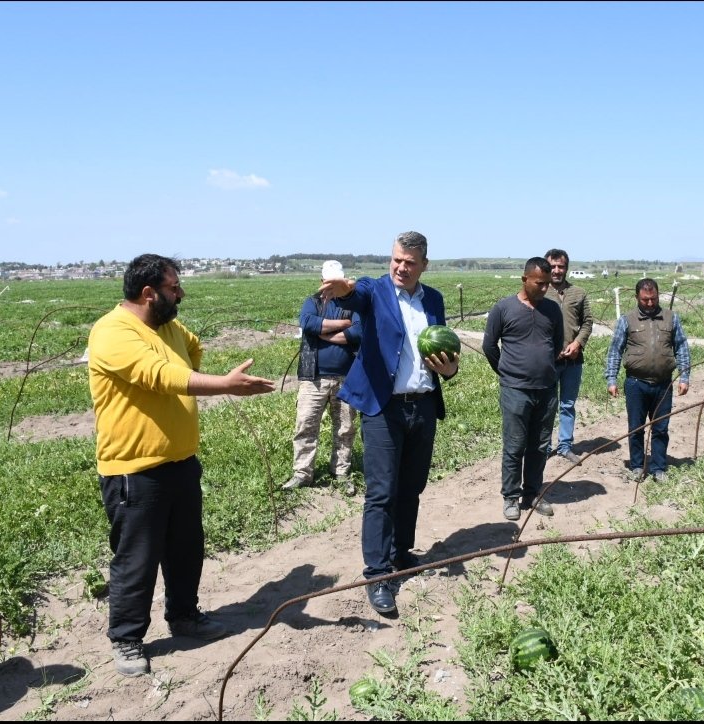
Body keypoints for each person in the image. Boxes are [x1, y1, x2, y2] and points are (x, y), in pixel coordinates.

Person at [87, 253, 276, 677]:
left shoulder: (168, 326)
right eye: (174, 288)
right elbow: (158, 375)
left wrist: (196, 370)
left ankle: (184, 617)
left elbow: (191, 349)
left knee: (186, 549)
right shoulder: (112, 332)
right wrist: (222, 386)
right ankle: (128, 638)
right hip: (134, 469)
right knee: (137, 558)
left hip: (181, 462)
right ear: (149, 293)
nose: (181, 294)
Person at [319, 232, 460, 615]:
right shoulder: (375, 291)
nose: (401, 267)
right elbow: (356, 294)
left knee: (412, 486)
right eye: (397, 259)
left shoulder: (434, 299)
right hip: (383, 408)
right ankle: (377, 574)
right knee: (381, 492)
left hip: (424, 404)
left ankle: (401, 555)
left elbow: (446, 352)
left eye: (410, 262)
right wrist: (344, 288)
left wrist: (450, 369)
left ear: (423, 265)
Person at [482, 257, 564, 521]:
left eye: (547, 284)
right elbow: (489, 346)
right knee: (515, 445)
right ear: (524, 279)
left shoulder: (552, 310)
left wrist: (543, 370)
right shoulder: (504, 308)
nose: (544, 289)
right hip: (515, 390)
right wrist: (507, 372)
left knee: (540, 445)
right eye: (539, 283)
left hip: (546, 389)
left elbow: (557, 344)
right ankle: (510, 497)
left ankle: (533, 493)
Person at [282, 260, 362, 496]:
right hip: (313, 377)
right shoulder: (312, 302)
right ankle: (302, 473)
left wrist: (324, 333)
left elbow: (357, 330)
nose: (332, 286)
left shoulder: (352, 303)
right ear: (322, 282)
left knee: (345, 428)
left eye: (337, 282)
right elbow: (308, 323)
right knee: (306, 424)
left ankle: (341, 472)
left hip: (346, 377)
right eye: (329, 282)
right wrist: (342, 325)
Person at [604, 278, 690, 482]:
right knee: (636, 428)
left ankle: (659, 467)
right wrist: (611, 379)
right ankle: (637, 466)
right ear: (636, 298)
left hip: (663, 384)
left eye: (653, 299)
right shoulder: (627, 320)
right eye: (645, 300)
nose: (650, 303)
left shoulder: (671, 318)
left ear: (658, 295)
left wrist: (685, 376)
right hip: (636, 384)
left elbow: (682, 347)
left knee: (661, 428)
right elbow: (615, 350)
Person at [544, 248, 593, 465]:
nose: (556, 270)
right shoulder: (540, 292)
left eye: (560, 266)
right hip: (547, 361)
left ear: (567, 268)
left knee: (567, 404)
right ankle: (543, 447)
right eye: (553, 266)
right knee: (546, 405)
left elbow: (587, 322)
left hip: (573, 360)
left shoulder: (578, 293)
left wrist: (577, 343)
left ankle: (565, 446)